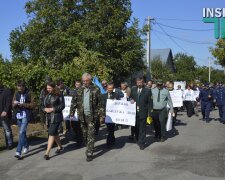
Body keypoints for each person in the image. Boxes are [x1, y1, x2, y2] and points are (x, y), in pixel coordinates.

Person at [70, 73, 103, 161]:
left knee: (91, 134)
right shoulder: (79, 90)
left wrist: (102, 115)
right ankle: (88, 145)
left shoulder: (96, 89)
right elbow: (74, 102)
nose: (85, 82)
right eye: (83, 81)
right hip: (82, 116)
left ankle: (89, 153)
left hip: (92, 116)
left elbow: (100, 103)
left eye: (86, 81)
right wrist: (71, 113)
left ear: (90, 80)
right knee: (84, 134)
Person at [42, 81, 65, 160]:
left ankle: (47, 153)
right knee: (54, 133)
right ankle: (60, 147)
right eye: (47, 88)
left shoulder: (59, 94)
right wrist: (44, 109)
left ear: (53, 87)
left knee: (51, 133)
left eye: (50, 88)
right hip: (48, 117)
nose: (48, 89)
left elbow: (62, 106)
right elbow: (42, 105)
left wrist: (53, 109)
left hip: (56, 117)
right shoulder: (47, 95)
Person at [13, 80, 35, 159]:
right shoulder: (16, 93)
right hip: (18, 114)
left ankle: (18, 151)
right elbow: (12, 103)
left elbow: (33, 105)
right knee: (23, 133)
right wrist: (15, 104)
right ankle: (26, 146)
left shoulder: (30, 93)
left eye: (21, 89)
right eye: (18, 89)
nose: (19, 90)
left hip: (26, 114)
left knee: (21, 132)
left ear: (24, 87)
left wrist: (24, 104)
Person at [130, 77, 153, 150]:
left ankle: (142, 143)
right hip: (134, 112)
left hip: (143, 112)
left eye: (140, 82)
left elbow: (150, 103)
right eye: (138, 82)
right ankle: (137, 139)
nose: (139, 83)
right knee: (136, 128)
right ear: (136, 82)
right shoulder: (133, 89)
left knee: (142, 128)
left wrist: (150, 113)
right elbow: (130, 97)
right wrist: (131, 100)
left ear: (143, 82)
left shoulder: (147, 91)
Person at [102, 82, 120, 148]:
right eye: (109, 88)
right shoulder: (103, 96)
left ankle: (109, 142)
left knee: (111, 129)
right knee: (109, 129)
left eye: (111, 88)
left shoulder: (116, 95)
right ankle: (112, 138)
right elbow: (102, 106)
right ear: (107, 88)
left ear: (113, 88)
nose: (110, 89)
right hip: (106, 115)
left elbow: (119, 105)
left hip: (113, 115)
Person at [0, 82, 13, 150]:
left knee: (7, 129)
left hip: (4, 114)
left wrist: (5, 110)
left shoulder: (6, 91)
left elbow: (9, 102)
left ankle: (9, 143)